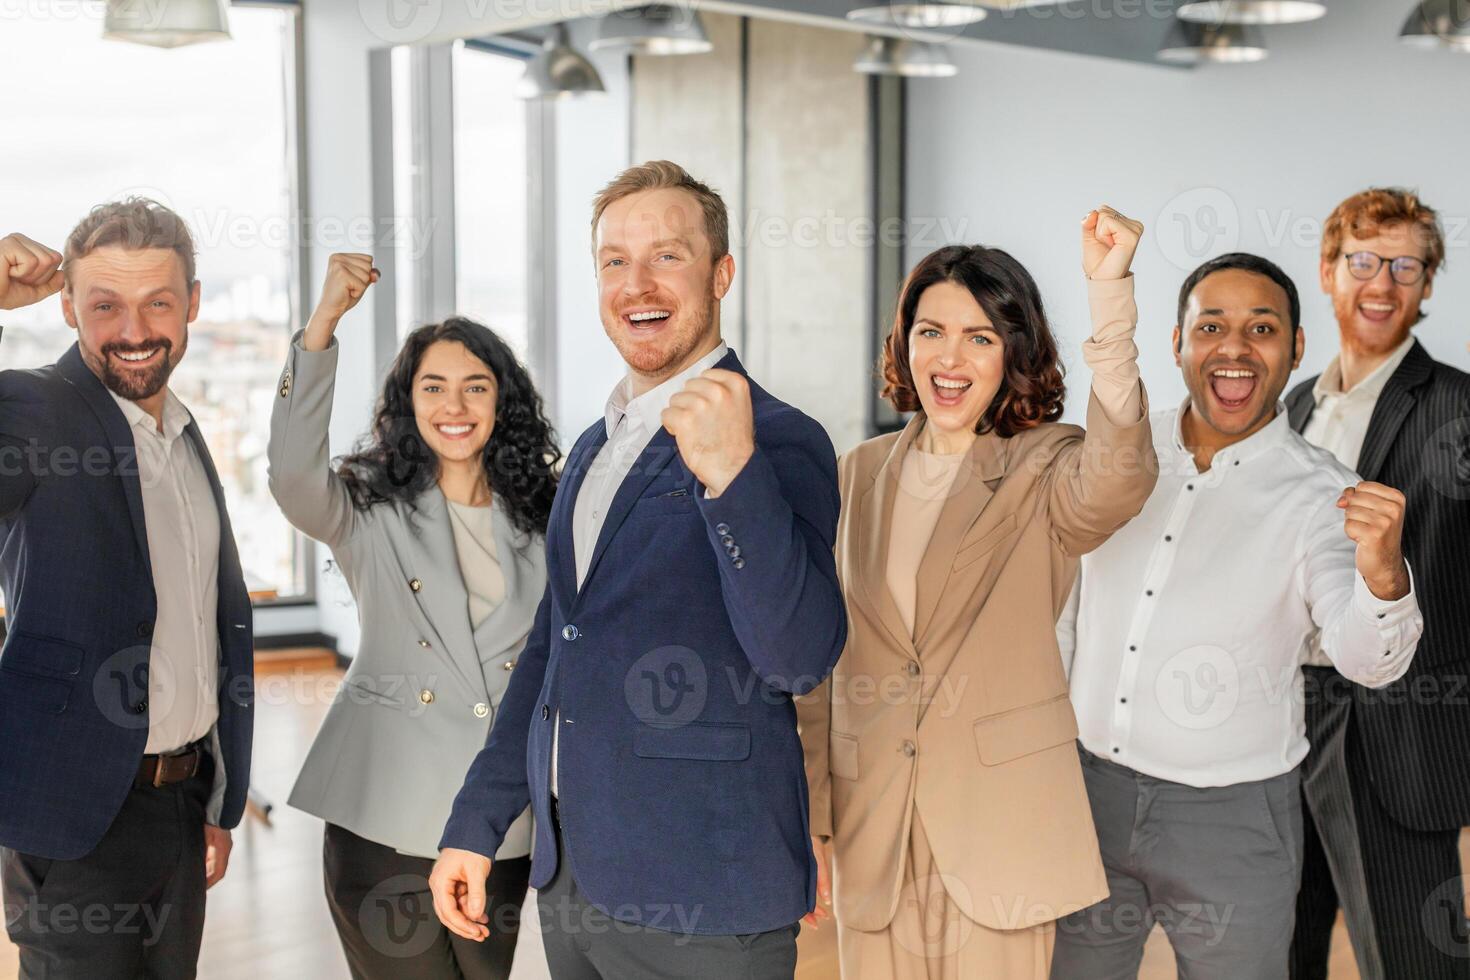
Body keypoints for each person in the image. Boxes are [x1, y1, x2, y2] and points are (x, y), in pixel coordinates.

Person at [428, 160, 847, 979]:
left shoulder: (781, 437)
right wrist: (475, 825)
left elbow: (798, 657)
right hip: (574, 880)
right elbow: (555, 649)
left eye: (667, 255)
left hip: (708, 895)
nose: (637, 282)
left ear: (722, 273)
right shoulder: (592, 447)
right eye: (614, 260)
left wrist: (733, 480)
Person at [795, 207, 1158, 979]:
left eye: (980, 337)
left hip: (999, 828)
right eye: (931, 332)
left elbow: (1119, 480)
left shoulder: (1046, 463)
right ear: (904, 344)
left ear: (1012, 354)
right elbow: (825, 658)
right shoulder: (857, 472)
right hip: (875, 827)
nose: (949, 357)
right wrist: (814, 816)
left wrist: (1110, 297)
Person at [1051, 252, 1424, 980]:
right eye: (1211, 325)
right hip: (1087, 796)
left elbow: (1366, 660)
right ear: (1177, 343)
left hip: (1233, 822)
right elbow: (1066, 609)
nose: (1234, 346)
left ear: (1295, 349)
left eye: (1262, 328)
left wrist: (1383, 573)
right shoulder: (1117, 455)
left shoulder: (1323, 494)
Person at [267, 253, 557, 978]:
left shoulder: (547, 513)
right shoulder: (367, 506)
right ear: (409, 400)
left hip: (499, 821)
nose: (454, 407)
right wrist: (322, 324)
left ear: (502, 402)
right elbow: (292, 476)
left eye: (474, 388)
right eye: (434, 388)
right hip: (386, 809)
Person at [0, 201, 255, 978]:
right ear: (68, 305)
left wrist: (213, 798)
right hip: (75, 817)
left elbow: (201, 619)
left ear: (194, 305)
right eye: (105, 305)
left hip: (181, 805)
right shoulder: (32, 408)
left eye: (158, 303)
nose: (134, 329)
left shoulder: (181, 429)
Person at [1286, 188, 1470, 980]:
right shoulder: (1289, 408)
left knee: (1415, 964)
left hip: (1404, 731)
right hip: (1281, 720)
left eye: (1406, 266)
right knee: (1274, 953)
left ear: (1428, 285)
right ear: (1328, 272)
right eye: (1363, 261)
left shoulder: (1461, 407)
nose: (1382, 284)